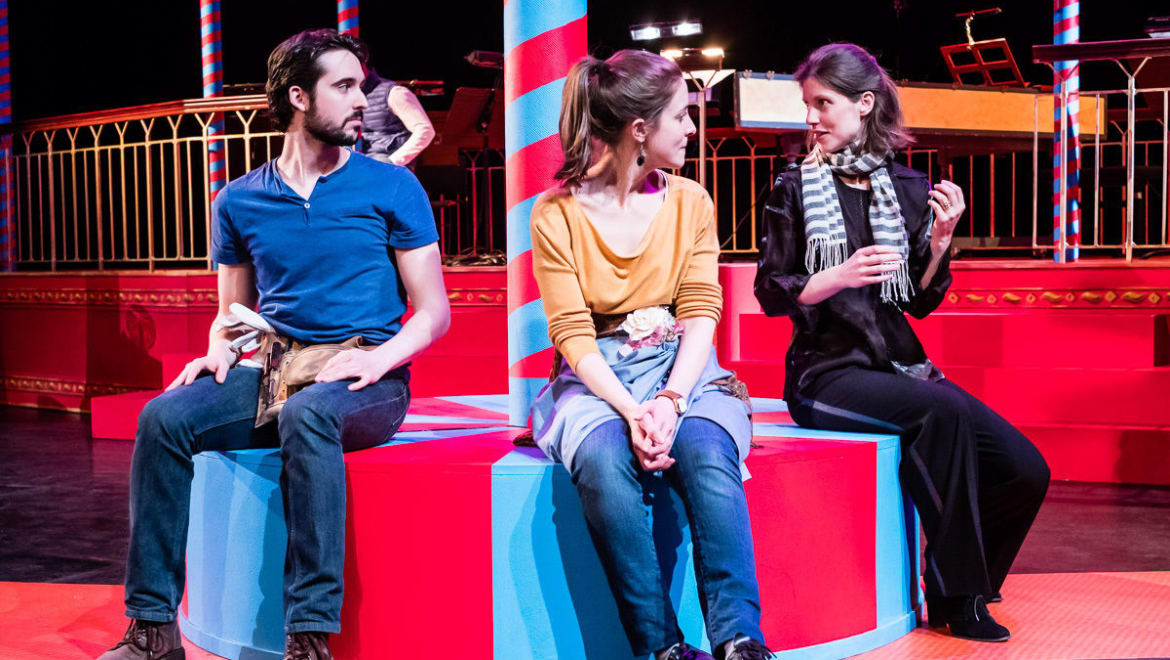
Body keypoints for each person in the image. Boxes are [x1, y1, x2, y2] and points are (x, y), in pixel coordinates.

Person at [98, 29, 449, 660]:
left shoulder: (393, 187)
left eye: (361, 86)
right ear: (298, 98)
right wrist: (219, 350)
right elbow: (232, 314)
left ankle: (309, 638)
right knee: (163, 418)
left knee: (308, 412)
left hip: (366, 376)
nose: (360, 101)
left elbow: (433, 314)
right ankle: (152, 631)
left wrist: (377, 359)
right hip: (276, 369)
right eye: (344, 87)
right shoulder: (238, 199)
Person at [753, 43, 1049, 643]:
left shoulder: (908, 188)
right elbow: (769, 289)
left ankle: (975, 580)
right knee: (939, 412)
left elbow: (916, 299)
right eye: (807, 105)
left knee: (1025, 468)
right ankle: (955, 596)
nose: (810, 118)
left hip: (900, 364)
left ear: (864, 104)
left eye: (823, 104)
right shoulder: (793, 186)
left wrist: (940, 239)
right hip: (826, 372)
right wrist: (833, 276)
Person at [527, 49, 770, 660]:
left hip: (681, 367)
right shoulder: (555, 213)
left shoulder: (691, 201)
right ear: (640, 130)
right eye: (682, 116)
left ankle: (740, 640)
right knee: (606, 461)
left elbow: (700, 311)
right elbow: (573, 334)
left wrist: (670, 398)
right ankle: (662, 647)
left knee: (705, 449)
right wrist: (629, 410)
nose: (692, 129)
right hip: (597, 378)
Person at [359, 66, 435, 169]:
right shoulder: (348, 95)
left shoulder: (395, 93)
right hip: (361, 162)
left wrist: (392, 161)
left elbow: (425, 130)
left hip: (386, 165)